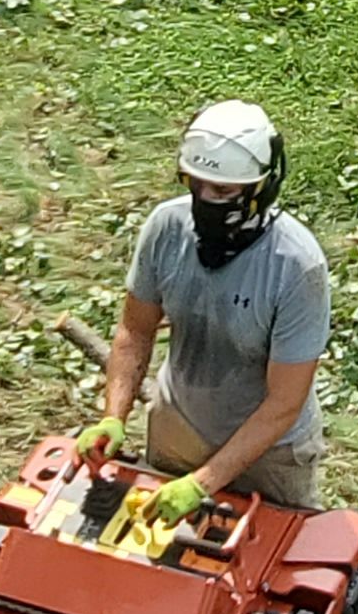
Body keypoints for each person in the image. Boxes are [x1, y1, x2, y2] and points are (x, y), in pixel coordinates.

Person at [84, 100, 328, 520]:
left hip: (271, 455)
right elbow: (135, 331)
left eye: (222, 193)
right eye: (196, 186)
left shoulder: (295, 266)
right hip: (180, 426)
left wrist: (203, 482)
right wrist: (113, 416)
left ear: (260, 189)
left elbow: (285, 401)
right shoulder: (166, 229)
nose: (205, 201)